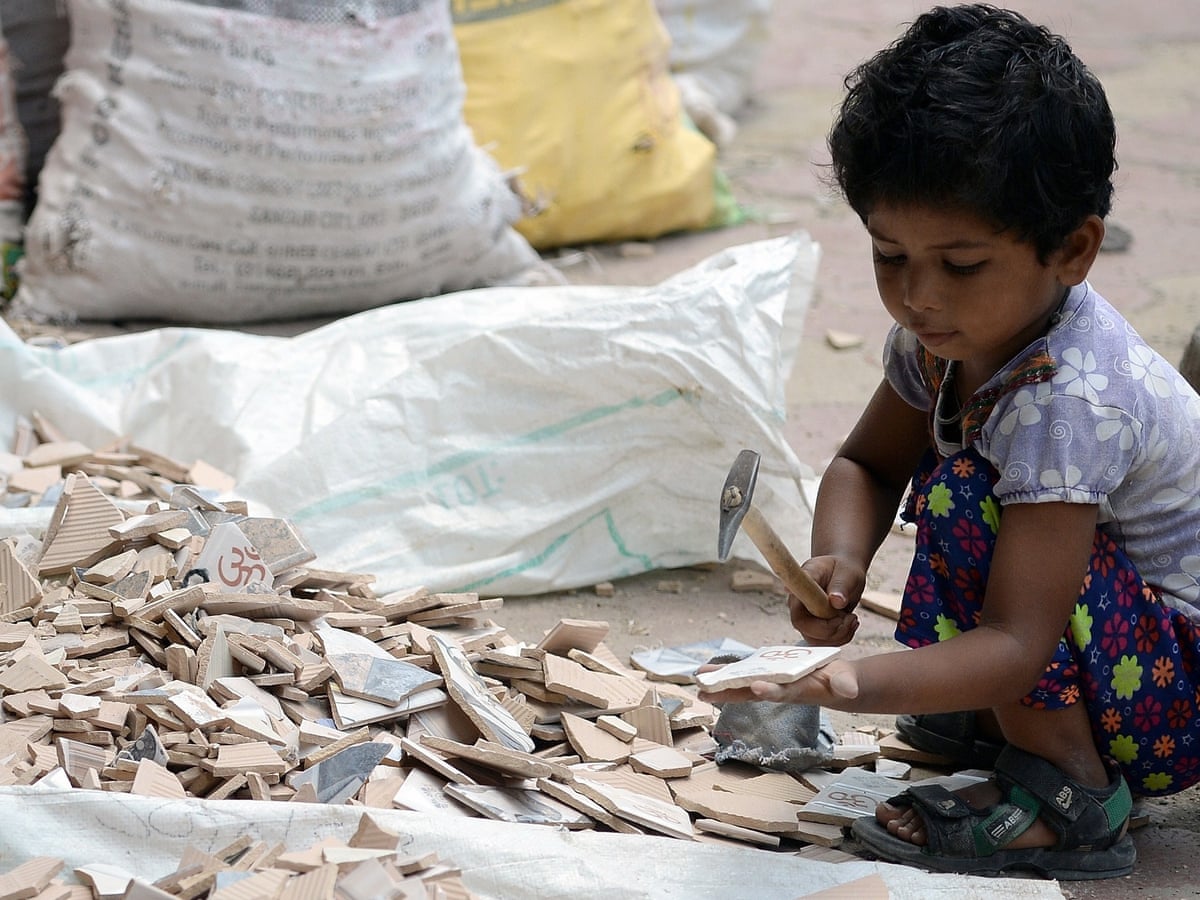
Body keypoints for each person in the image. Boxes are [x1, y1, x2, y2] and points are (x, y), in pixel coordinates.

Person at [698, 3, 1200, 881]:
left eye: (960, 264)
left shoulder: (1069, 399)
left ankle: (1072, 793)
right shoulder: (952, 338)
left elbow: (1019, 639)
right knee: (966, 488)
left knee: (970, 499)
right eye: (890, 256)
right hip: (1104, 642)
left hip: (1175, 694)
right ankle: (1009, 716)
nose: (917, 297)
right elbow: (866, 463)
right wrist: (838, 563)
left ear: (1074, 251)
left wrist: (855, 682)